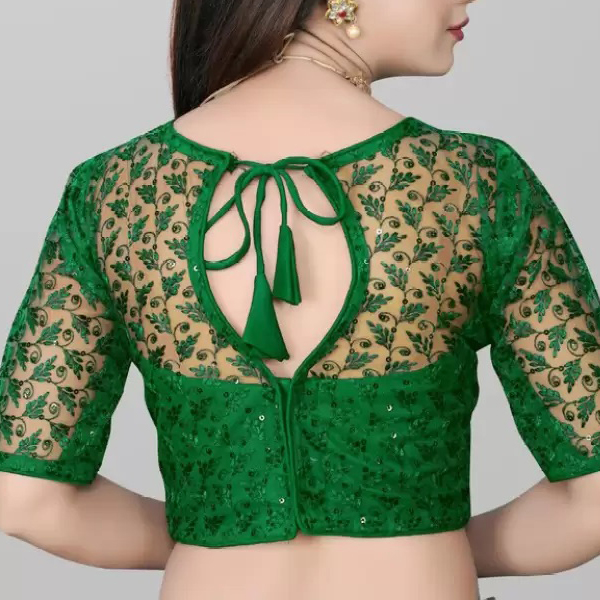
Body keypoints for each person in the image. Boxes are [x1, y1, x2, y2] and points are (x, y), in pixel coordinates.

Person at [1, 1, 599, 599]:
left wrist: (217, 530)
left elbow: (26, 498)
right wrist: (430, 539)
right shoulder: (473, 182)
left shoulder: (116, 190)